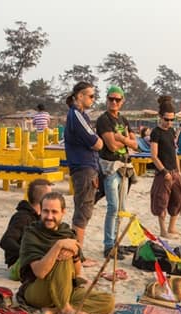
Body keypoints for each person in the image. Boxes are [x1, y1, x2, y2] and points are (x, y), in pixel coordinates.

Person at [17, 192, 114, 314]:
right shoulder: (32, 234)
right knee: (63, 256)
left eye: (54, 212)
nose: (49, 216)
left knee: (108, 302)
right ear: (40, 211)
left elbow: (78, 271)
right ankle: (65, 308)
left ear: (63, 212)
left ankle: (55, 310)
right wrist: (58, 246)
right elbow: (39, 272)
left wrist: (74, 254)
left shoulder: (67, 232)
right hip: (38, 290)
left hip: (66, 289)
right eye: (46, 211)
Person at [95, 86, 138, 260]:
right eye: (111, 99)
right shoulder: (103, 120)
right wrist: (124, 141)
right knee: (113, 207)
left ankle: (116, 243)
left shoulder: (123, 119)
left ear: (122, 101)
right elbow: (111, 146)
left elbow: (136, 144)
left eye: (117, 100)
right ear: (106, 100)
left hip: (124, 167)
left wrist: (120, 138)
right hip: (110, 167)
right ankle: (109, 245)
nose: (114, 102)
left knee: (121, 208)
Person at [64, 81, 103, 262]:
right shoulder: (77, 115)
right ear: (79, 96)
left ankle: (77, 253)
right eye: (91, 96)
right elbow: (97, 142)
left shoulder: (79, 115)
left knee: (84, 209)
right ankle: (77, 257)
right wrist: (98, 142)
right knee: (83, 212)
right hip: (84, 168)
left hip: (86, 168)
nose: (93, 100)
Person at [0, 179, 53, 276]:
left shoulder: (41, 217)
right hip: (18, 265)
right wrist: (28, 253)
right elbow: (6, 241)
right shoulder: (22, 217)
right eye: (50, 196)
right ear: (43, 199)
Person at [150, 96, 181, 237]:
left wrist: (178, 171)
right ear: (160, 117)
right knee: (161, 201)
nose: (169, 122)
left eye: (172, 119)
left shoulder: (171, 131)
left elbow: (174, 152)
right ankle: (163, 230)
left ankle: (172, 227)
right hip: (162, 172)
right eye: (167, 119)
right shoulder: (156, 133)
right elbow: (154, 155)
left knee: (178, 199)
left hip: (174, 171)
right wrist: (164, 171)